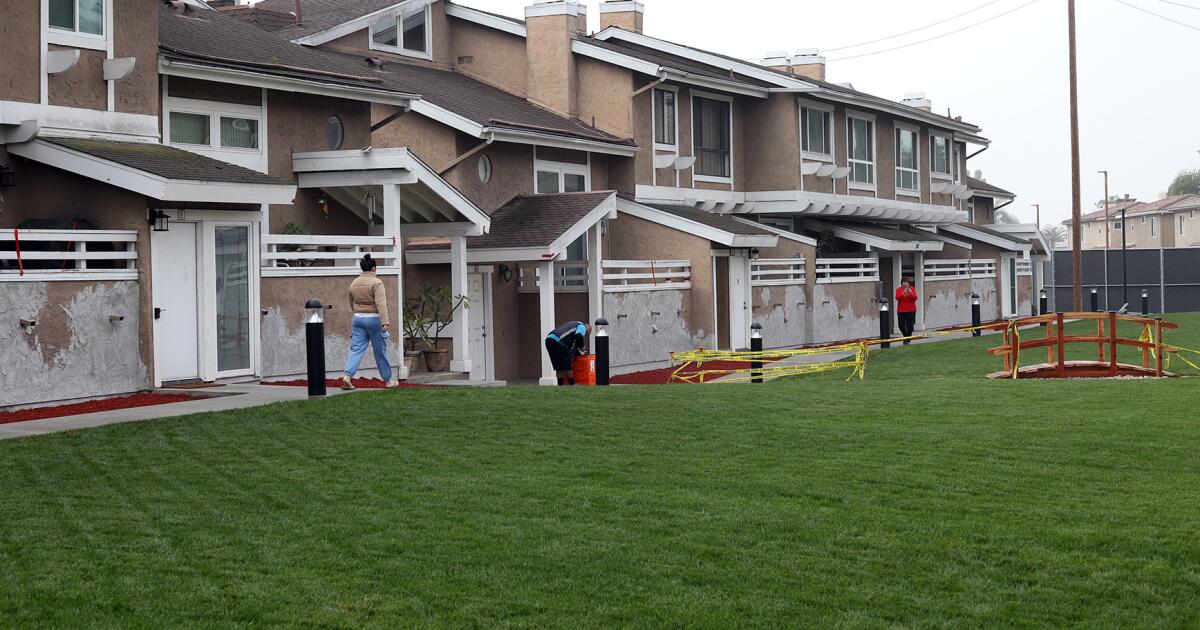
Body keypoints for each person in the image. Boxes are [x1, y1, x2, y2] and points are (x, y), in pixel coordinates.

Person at [342, 254, 398, 389]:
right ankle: (388, 381)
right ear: (373, 268)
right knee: (380, 351)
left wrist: (357, 313)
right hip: (374, 319)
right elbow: (381, 303)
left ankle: (347, 377)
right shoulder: (377, 283)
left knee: (356, 349)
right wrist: (385, 321)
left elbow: (351, 302)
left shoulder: (354, 282)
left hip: (358, 319)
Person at [545, 320, 590, 385]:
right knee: (567, 364)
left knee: (559, 367)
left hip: (549, 340)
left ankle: (560, 385)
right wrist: (582, 347)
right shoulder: (582, 326)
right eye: (587, 333)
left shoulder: (574, 324)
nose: (585, 335)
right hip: (559, 342)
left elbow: (574, 343)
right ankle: (572, 384)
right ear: (588, 329)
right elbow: (579, 336)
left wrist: (578, 349)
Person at [895, 276, 918, 345]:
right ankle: (906, 337)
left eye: (906, 282)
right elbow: (898, 298)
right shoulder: (898, 290)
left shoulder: (912, 289)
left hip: (911, 310)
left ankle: (907, 341)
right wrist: (903, 293)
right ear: (901, 283)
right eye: (904, 282)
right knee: (901, 325)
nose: (905, 284)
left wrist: (910, 293)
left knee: (909, 326)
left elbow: (915, 298)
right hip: (901, 310)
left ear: (908, 283)